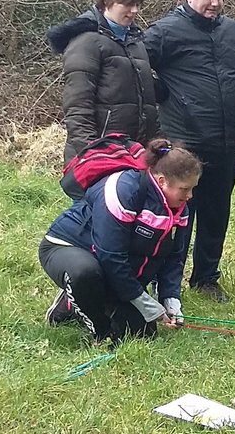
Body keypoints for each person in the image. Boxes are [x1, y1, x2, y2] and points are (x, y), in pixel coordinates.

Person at [143, 0, 235, 303]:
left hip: (227, 141)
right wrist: (165, 94)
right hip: (184, 142)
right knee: (177, 214)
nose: (214, 4)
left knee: (216, 213)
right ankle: (165, 283)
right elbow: (136, 64)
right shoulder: (166, 31)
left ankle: (206, 279)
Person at [40, 139, 202, 345]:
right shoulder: (123, 190)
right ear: (162, 181)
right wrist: (144, 302)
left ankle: (82, 302)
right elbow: (110, 255)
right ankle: (101, 332)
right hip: (67, 247)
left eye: (193, 189)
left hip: (112, 266)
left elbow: (173, 257)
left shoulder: (180, 208)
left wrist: (170, 300)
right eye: (184, 189)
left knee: (142, 334)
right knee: (85, 274)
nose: (190, 196)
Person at [47, 0, 159, 166]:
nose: (134, 11)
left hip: (135, 158)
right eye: (128, 4)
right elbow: (78, 109)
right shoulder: (86, 43)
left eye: (137, 4)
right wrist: (93, 157)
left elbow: (146, 105)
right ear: (107, 0)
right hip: (99, 160)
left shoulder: (137, 43)